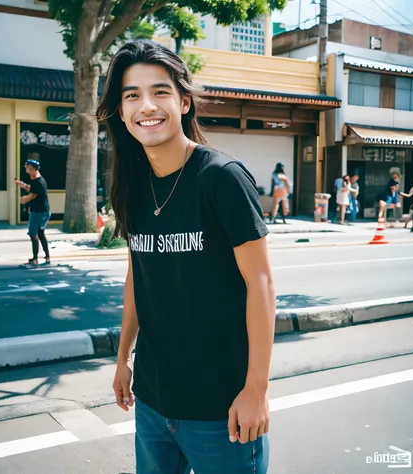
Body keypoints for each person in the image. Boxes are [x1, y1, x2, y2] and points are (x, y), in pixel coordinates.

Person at [99, 40, 275, 474]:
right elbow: (137, 279)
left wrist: (256, 389)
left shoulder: (221, 178)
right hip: (155, 401)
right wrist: (122, 360)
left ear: (183, 100)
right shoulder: (133, 185)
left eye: (160, 92)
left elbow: (262, 284)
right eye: (132, 96)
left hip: (222, 410)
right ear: (121, 112)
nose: (147, 106)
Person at [15, 159, 51, 266]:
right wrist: (22, 185)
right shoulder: (38, 181)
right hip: (43, 212)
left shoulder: (38, 182)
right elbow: (32, 189)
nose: (26, 169)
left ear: (32, 169)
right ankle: (47, 256)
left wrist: (22, 199)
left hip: (38, 213)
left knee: (33, 233)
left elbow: (32, 195)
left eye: (28, 168)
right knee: (40, 233)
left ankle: (35, 259)